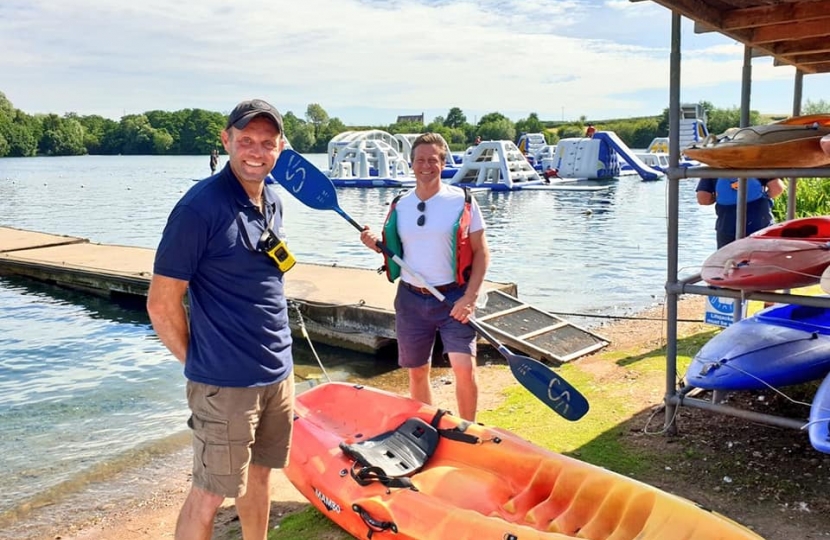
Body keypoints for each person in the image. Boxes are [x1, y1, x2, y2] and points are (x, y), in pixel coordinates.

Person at [147, 98, 294, 540]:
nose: (256, 150)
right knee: (209, 494)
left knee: (262, 476)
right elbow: (161, 302)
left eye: (267, 142)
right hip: (225, 385)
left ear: (280, 148)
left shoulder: (272, 199)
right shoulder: (199, 209)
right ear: (226, 140)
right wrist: (199, 364)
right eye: (246, 140)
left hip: (277, 374)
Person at [360, 133, 490, 422]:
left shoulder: (463, 201)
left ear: (443, 163)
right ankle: (426, 427)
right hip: (411, 299)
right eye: (420, 160)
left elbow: (482, 252)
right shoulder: (400, 204)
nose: (426, 166)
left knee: (464, 368)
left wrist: (470, 298)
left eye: (433, 160)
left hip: (454, 296)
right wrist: (374, 242)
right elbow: (394, 250)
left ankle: (468, 429)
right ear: (412, 164)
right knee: (418, 371)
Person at [696, 177, 786, 248]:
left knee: (727, 263)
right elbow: (777, 188)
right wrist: (761, 196)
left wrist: (722, 198)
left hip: (727, 226)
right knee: (762, 261)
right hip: (760, 223)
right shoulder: (758, 162)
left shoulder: (714, 166)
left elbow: (703, 198)